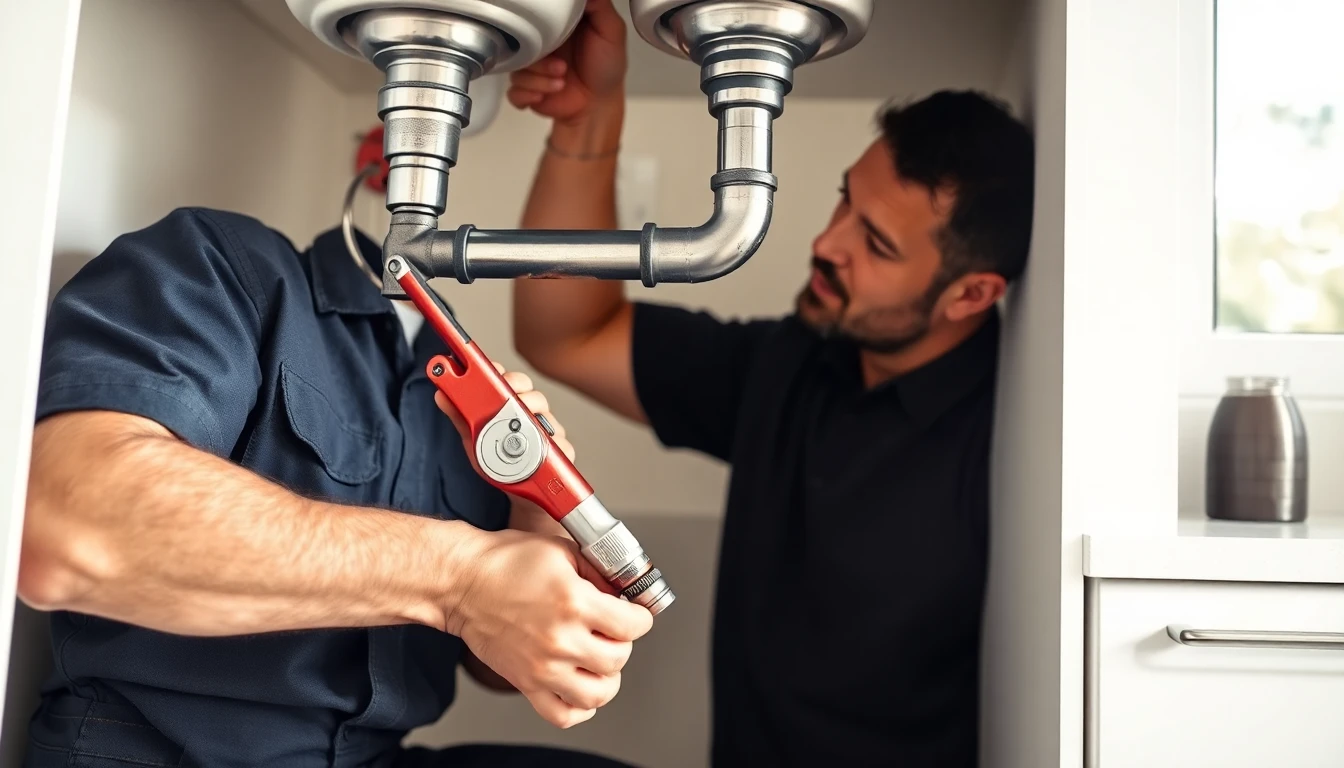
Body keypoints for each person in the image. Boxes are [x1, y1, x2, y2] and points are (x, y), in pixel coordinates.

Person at [505, 1, 1035, 765]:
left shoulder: (1014, 442)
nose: (826, 243)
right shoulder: (799, 362)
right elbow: (565, 332)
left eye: (876, 244)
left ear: (971, 295)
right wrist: (588, 122)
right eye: (847, 199)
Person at [19, 210, 652, 767]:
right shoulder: (223, 267)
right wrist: (459, 580)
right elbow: (71, 529)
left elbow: (489, 660)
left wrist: (534, 531)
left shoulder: (471, 394)